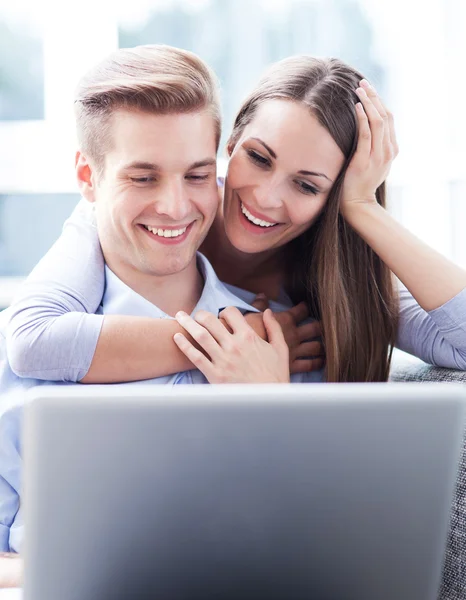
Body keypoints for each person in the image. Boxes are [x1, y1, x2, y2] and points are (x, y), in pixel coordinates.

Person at [0, 44, 304, 588]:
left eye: (195, 175)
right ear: (88, 178)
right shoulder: (25, 350)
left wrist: (273, 413)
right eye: (142, 178)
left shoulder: (282, 345)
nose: (174, 206)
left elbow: (322, 552)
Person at [5, 53, 466, 386]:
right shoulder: (128, 218)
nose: (265, 198)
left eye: (307, 186)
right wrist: (242, 339)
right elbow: (32, 339)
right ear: (230, 142)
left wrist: (363, 207)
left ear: (333, 197)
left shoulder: (335, 277)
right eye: (259, 158)